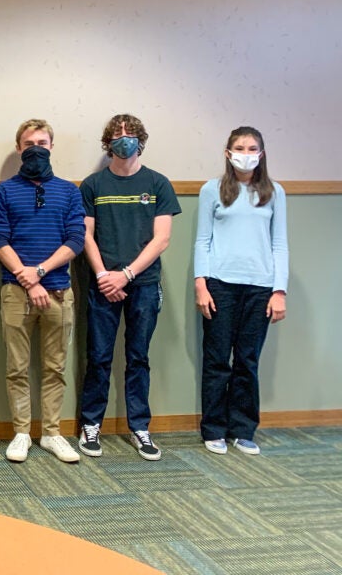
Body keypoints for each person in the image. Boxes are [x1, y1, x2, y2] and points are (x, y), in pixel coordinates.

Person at [78, 114, 180, 461]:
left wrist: (127, 275)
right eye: (118, 134)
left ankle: (139, 427)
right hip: (102, 284)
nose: (125, 139)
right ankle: (91, 424)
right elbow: (86, 235)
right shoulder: (93, 185)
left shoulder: (158, 183)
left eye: (131, 133)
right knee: (99, 357)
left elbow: (161, 239)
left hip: (144, 285)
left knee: (138, 357)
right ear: (108, 143)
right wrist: (105, 276)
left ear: (141, 140)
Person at [0, 120, 85, 464]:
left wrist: (40, 272)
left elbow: (76, 239)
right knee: (16, 367)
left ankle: (52, 433)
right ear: (19, 148)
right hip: (16, 292)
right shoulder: (4, 192)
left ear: (51, 146)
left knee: (55, 367)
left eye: (42, 143)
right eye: (29, 143)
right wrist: (28, 280)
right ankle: (21, 432)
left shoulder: (69, 192)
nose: (35, 149)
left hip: (59, 292)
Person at [194, 126, 287, 456]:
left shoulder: (274, 192)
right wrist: (201, 283)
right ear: (227, 153)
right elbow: (202, 241)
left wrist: (279, 291)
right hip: (220, 285)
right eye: (239, 148)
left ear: (261, 154)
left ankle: (243, 429)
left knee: (247, 361)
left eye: (251, 148)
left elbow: (279, 244)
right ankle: (214, 428)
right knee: (218, 360)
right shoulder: (212, 190)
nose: (245, 154)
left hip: (260, 288)